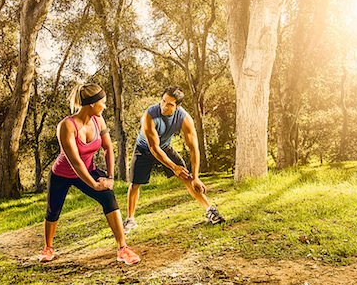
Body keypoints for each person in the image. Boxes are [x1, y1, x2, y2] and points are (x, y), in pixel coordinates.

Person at [40, 83, 140, 265]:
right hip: (62, 174)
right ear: (92, 104)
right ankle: (48, 247)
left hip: (89, 169)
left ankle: (123, 248)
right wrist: (94, 184)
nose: (105, 106)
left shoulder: (98, 120)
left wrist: (109, 178)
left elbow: (108, 148)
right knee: (53, 210)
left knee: (108, 197)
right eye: (103, 102)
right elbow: (75, 162)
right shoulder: (66, 126)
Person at [123, 86, 225, 234]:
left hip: (165, 147)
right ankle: (130, 220)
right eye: (163, 101)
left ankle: (210, 210)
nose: (164, 106)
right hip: (144, 149)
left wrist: (196, 177)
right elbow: (153, 148)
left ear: (178, 106)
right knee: (135, 184)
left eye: (170, 104)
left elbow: (193, 148)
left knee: (187, 177)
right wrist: (173, 167)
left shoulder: (184, 118)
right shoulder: (149, 115)